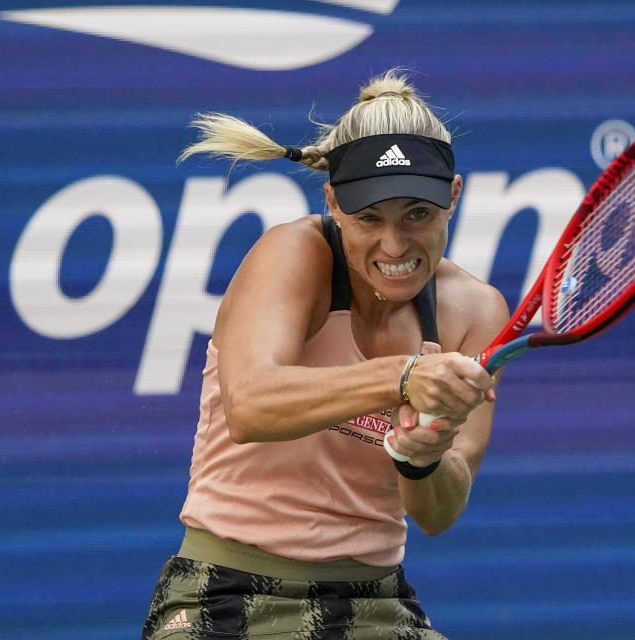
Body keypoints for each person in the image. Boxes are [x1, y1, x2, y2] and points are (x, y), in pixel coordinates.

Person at [141, 69, 509, 640]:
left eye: (419, 213)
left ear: (453, 197)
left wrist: (421, 457)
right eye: (369, 219)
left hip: (378, 602)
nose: (395, 245)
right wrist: (404, 376)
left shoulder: (476, 312)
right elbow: (251, 406)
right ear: (333, 202)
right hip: (226, 590)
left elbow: (438, 513)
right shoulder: (293, 253)